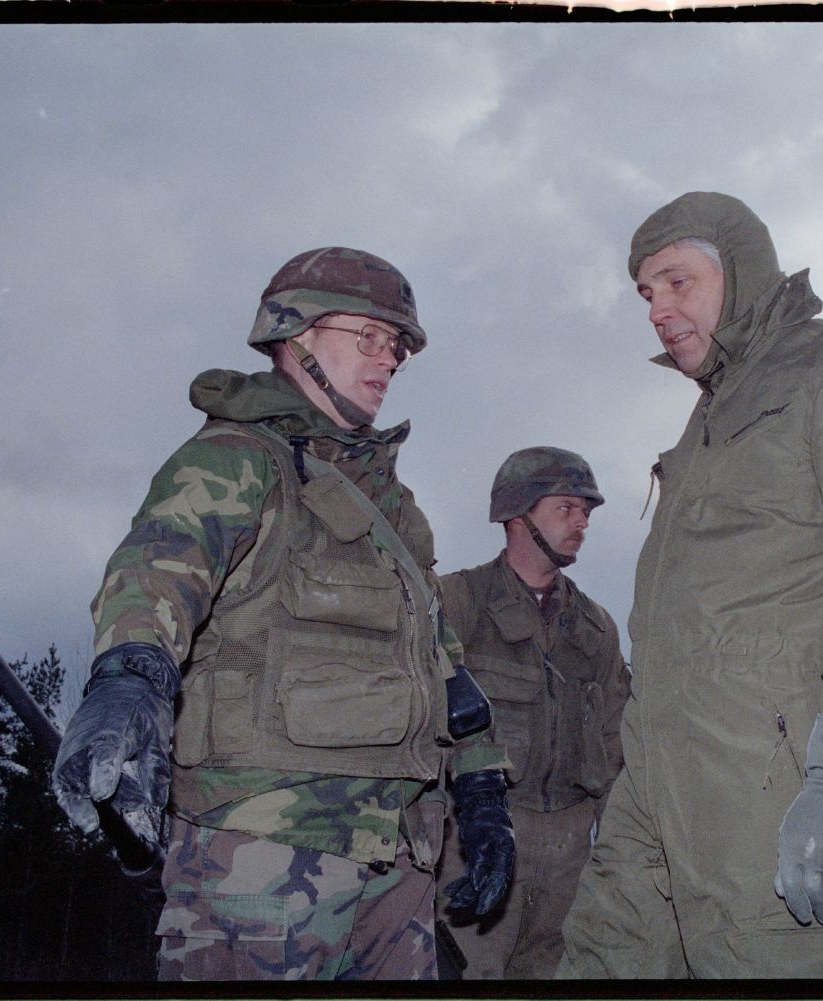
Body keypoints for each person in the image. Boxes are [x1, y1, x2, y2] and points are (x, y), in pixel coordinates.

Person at [50, 247, 514, 981]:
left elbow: (441, 660)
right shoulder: (235, 459)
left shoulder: (393, 508)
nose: (388, 357)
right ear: (294, 335)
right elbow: (159, 569)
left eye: (396, 345)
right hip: (262, 855)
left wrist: (484, 794)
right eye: (368, 335)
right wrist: (130, 677)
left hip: (400, 860)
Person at [556, 191, 823, 978]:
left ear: (738, 272)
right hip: (655, 794)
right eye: (645, 293)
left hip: (767, 796)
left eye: (676, 281)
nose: (656, 310)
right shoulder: (707, 418)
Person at [436, 447, 631, 978]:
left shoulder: (596, 628)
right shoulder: (456, 603)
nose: (581, 523)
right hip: (479, 834)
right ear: (517, 514)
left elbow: (617, 741)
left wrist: (619, 853)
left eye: (586, 512)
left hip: (572, 849)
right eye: (566, 507)